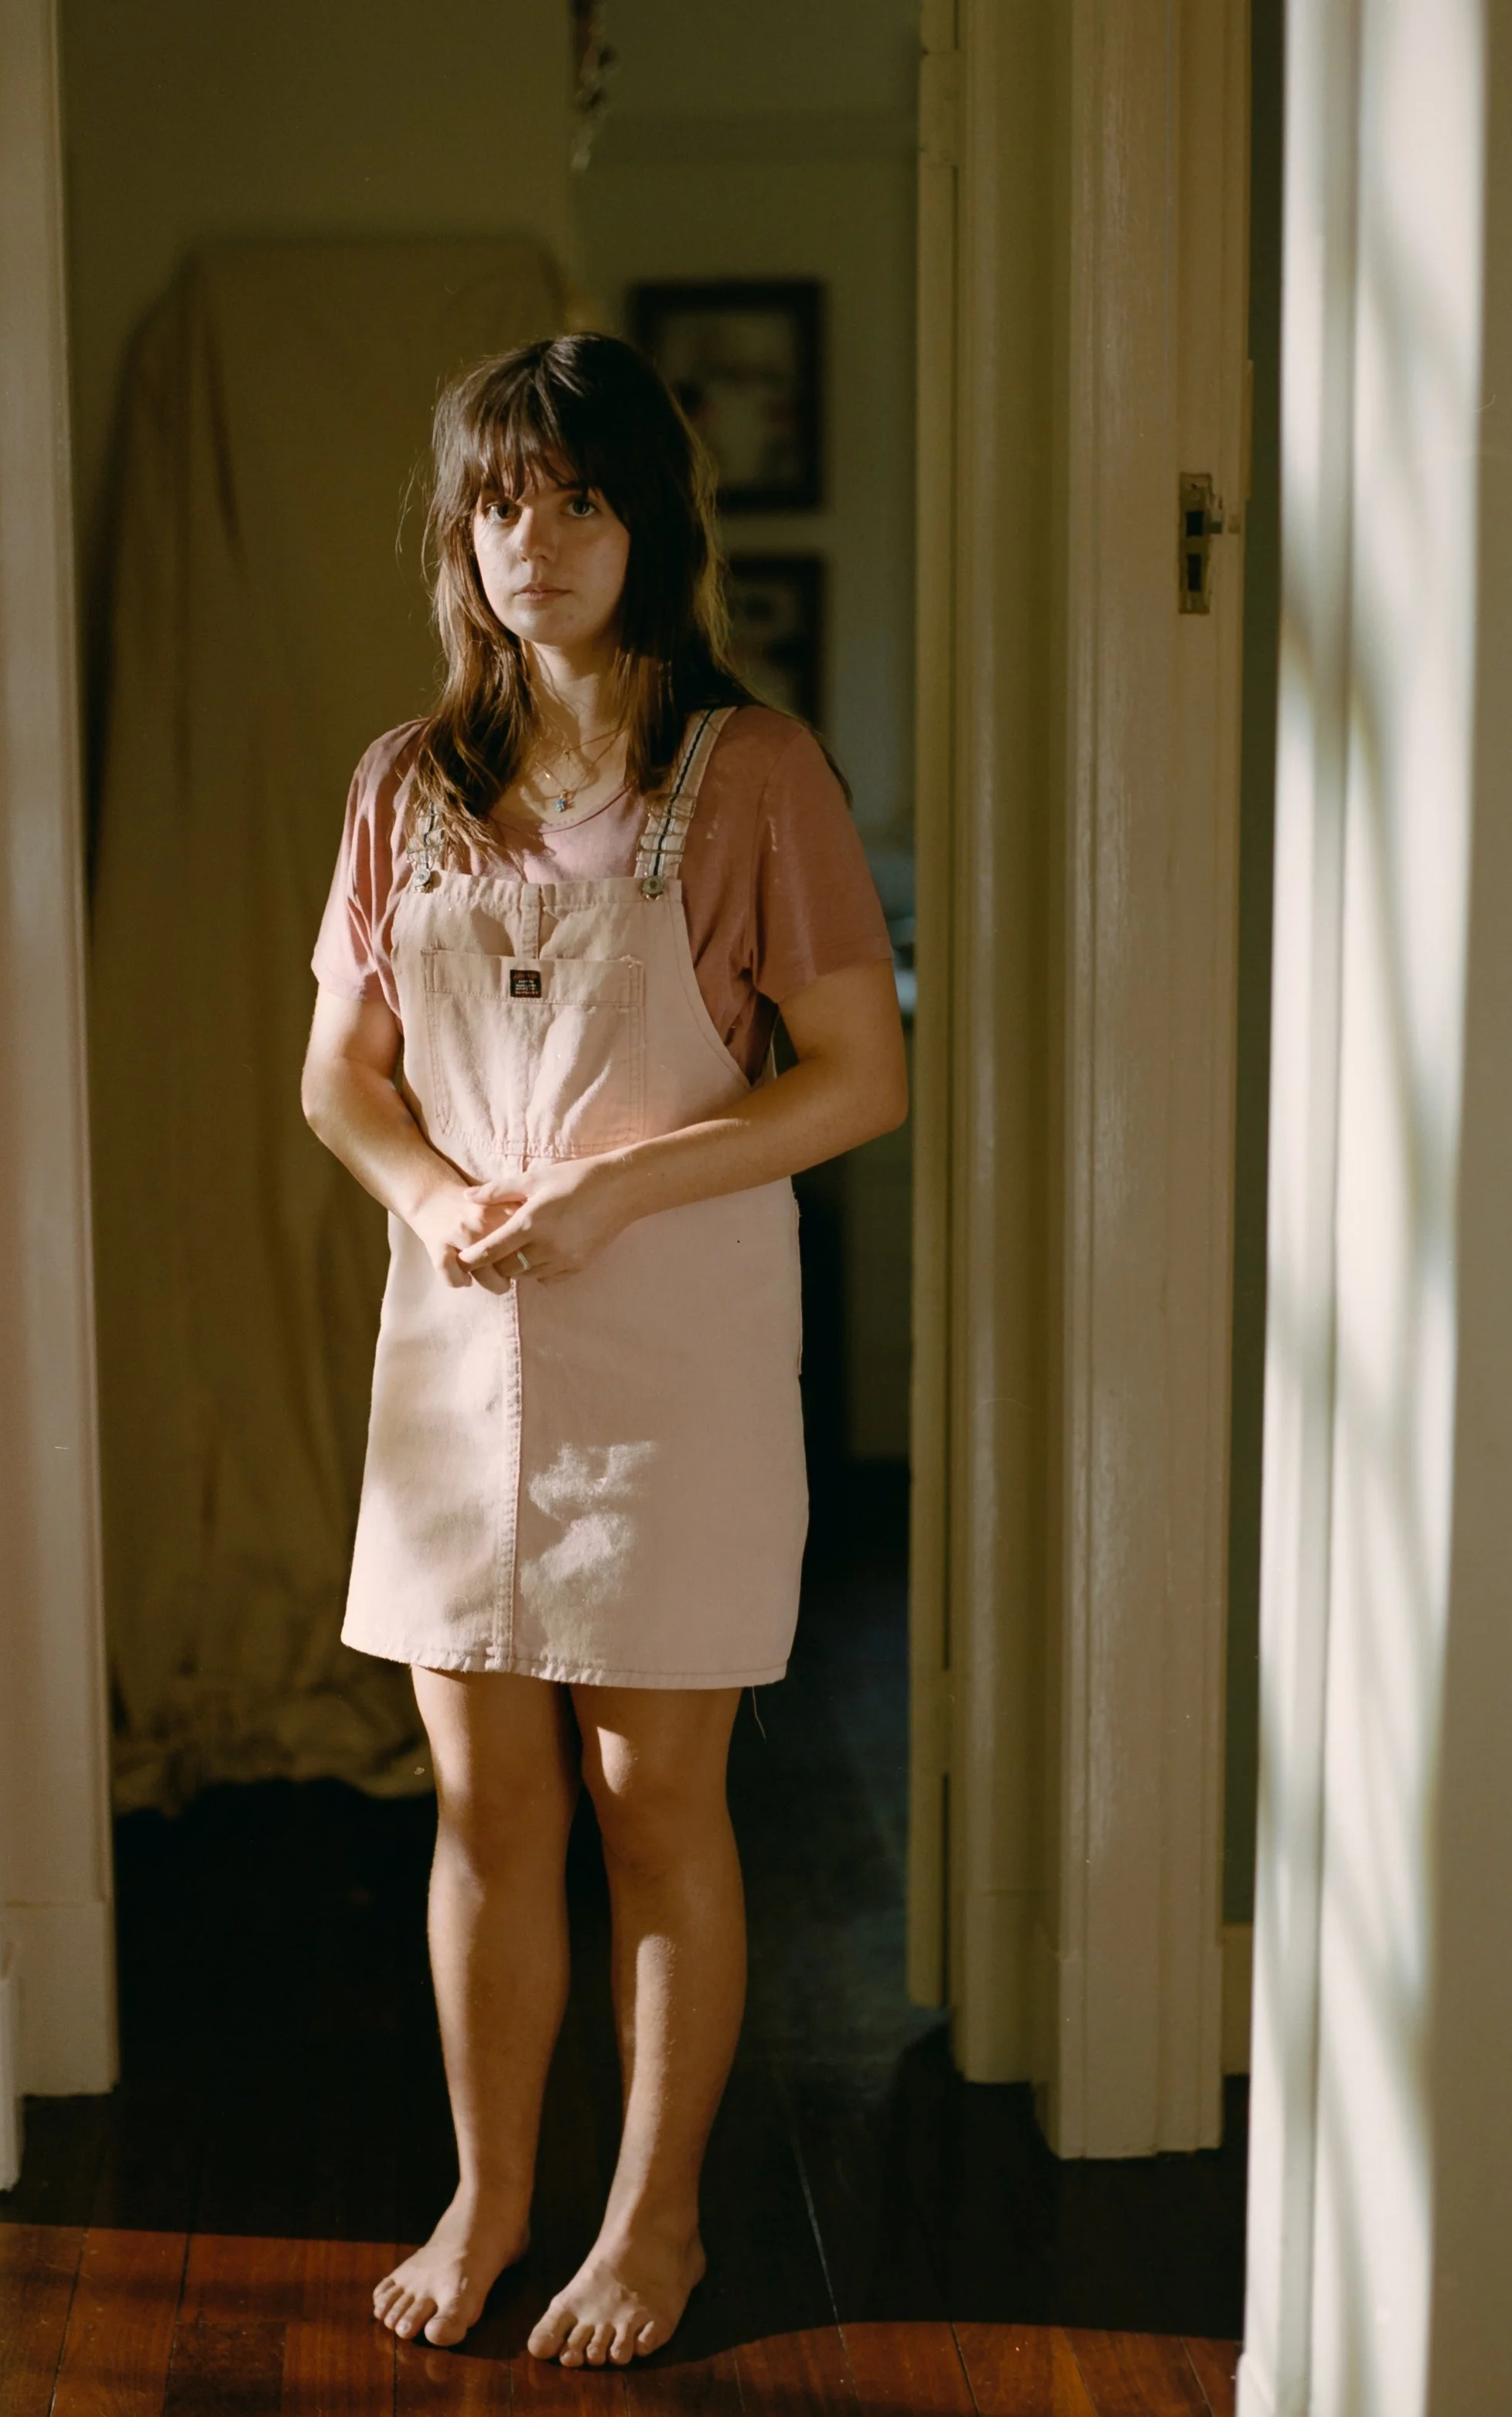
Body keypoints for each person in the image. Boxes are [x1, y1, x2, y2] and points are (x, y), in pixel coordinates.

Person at [301, 332, 907, 2370]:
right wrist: (431, 1193)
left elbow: (859, 1076)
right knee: (484, 1809)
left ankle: (656, 2220)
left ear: (648, 520)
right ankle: (489, 2198)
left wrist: (614, 1189)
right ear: (457, 535)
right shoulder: (404, 783)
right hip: (460, 1348)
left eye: (576, 499)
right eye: (499, 502)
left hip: (676, 1351)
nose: (534, 540)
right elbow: (339, 1074)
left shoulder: (753, 772)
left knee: (655, 1803)